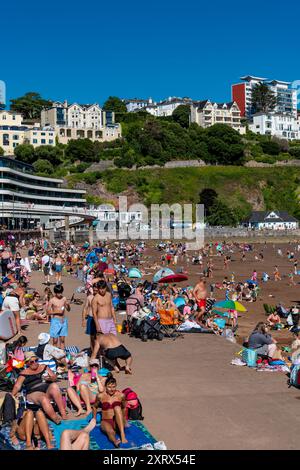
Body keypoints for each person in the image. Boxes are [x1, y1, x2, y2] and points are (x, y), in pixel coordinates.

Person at [11, 351, 67, 424]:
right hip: (33, 392)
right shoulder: (24, 373)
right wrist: (11, 396)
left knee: (55, 386)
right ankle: (55, 418)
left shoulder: (43, 367)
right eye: (31, 362)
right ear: (27, 363)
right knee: (43, 398)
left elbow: (54, 377)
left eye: (36, 360)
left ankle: (63, 413)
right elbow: (17, 386)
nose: (35, 363)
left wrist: (49, 379)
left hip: (46, 389)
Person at [93, 376, 128, 448]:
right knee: (110, 432)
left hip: (117, 422)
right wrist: (94, 419)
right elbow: (94, 406)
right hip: (106, 421)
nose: (111, 389)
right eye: (109, 387)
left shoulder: (121, 395)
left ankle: (122, 434)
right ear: (105, 386)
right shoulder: (100, 396)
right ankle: (115, 441)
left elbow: (124, 408)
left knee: (117, 408)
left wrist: (125, 420)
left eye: (114, 387)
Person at [47, 284, 70, 349]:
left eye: (61, 293)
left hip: (63, 321)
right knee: (55, 340)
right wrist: (57, 312)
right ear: (55, 293)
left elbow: (68, 310)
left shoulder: (64, 299)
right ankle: (55, 355)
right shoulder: (52, 300)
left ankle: (62, 354)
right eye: (58, 293)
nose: (60, 294)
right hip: (55, 321)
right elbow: (48, 312)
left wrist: (68, 305)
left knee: (62, 340)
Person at [82, 286, 98, 351]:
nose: (95, 292)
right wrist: (83, 319)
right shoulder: (89, 297)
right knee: (92, 337)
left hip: (99, 318)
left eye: (97, 290)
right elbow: (85, 308)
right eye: (94, 290)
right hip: (91, 318)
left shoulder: (101, 297)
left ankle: (99, 352)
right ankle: (92, 351)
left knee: (99, 337)